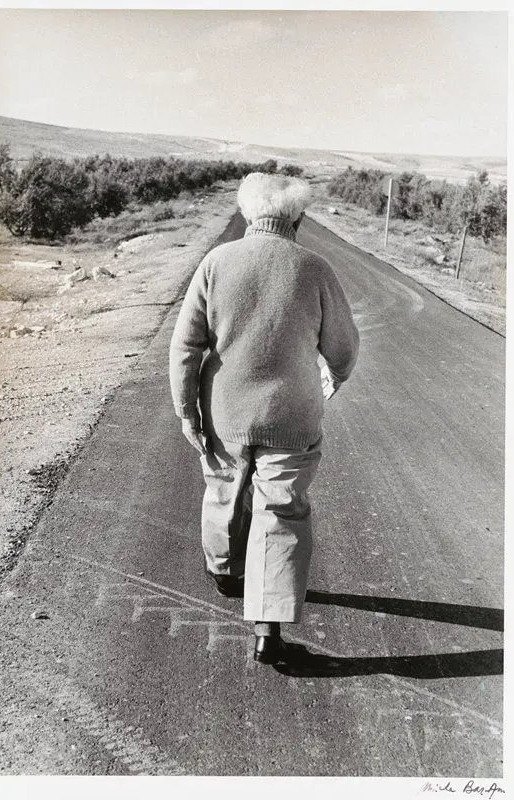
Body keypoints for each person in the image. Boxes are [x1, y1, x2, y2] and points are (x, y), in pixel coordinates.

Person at [169, 172, 359, 664]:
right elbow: (342, 348)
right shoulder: (315, 269)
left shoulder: (216, 262)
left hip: (224, 411)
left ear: (248, 213)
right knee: (281, 511)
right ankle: (267, 628)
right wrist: (331, 378)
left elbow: (186, 346)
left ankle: (226, 571)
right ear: (298, 218)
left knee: (222, 492)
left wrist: (186, 409)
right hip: (292, 416)